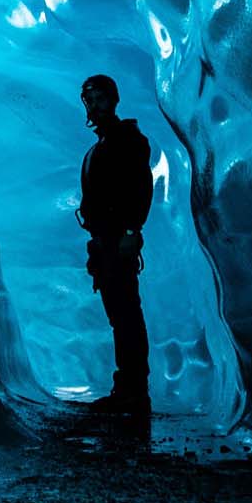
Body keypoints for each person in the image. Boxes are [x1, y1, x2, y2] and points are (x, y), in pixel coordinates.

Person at [77, 73, 152, 414]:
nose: (94, 106)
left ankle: (133, 389)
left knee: (126, 315)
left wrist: (131, 231)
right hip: (104, 242)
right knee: (119, 316)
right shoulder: (100, 147)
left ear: (113, 100)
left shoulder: (128, 140)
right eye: (90, 101)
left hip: (118, 240)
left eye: (100, 98)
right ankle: (127, 387)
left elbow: (140, 187)